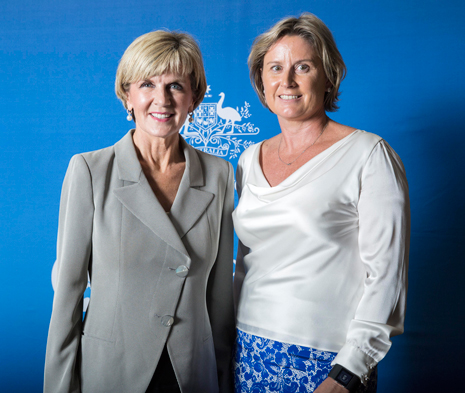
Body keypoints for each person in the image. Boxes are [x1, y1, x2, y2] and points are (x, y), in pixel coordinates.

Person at [44, 30, 235, 393]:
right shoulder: (89, 170)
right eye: (147, 83)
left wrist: (223, 379)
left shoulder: (219, 175)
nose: (161, 100)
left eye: (176, 85)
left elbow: (220, 296)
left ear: (193, 97)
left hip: (193, 373)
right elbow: (68, 293)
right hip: (112, 372)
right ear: (126, 96)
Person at [232, 13, 410, 393]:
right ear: (261, 82)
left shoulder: (368, 154)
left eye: (303, 67)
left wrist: (349, 371)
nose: (287, 81)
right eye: (275, 68)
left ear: (328, 76)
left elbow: (387, 277)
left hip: (328, 360)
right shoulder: (248, 159)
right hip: (247, 350)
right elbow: (245, 266)